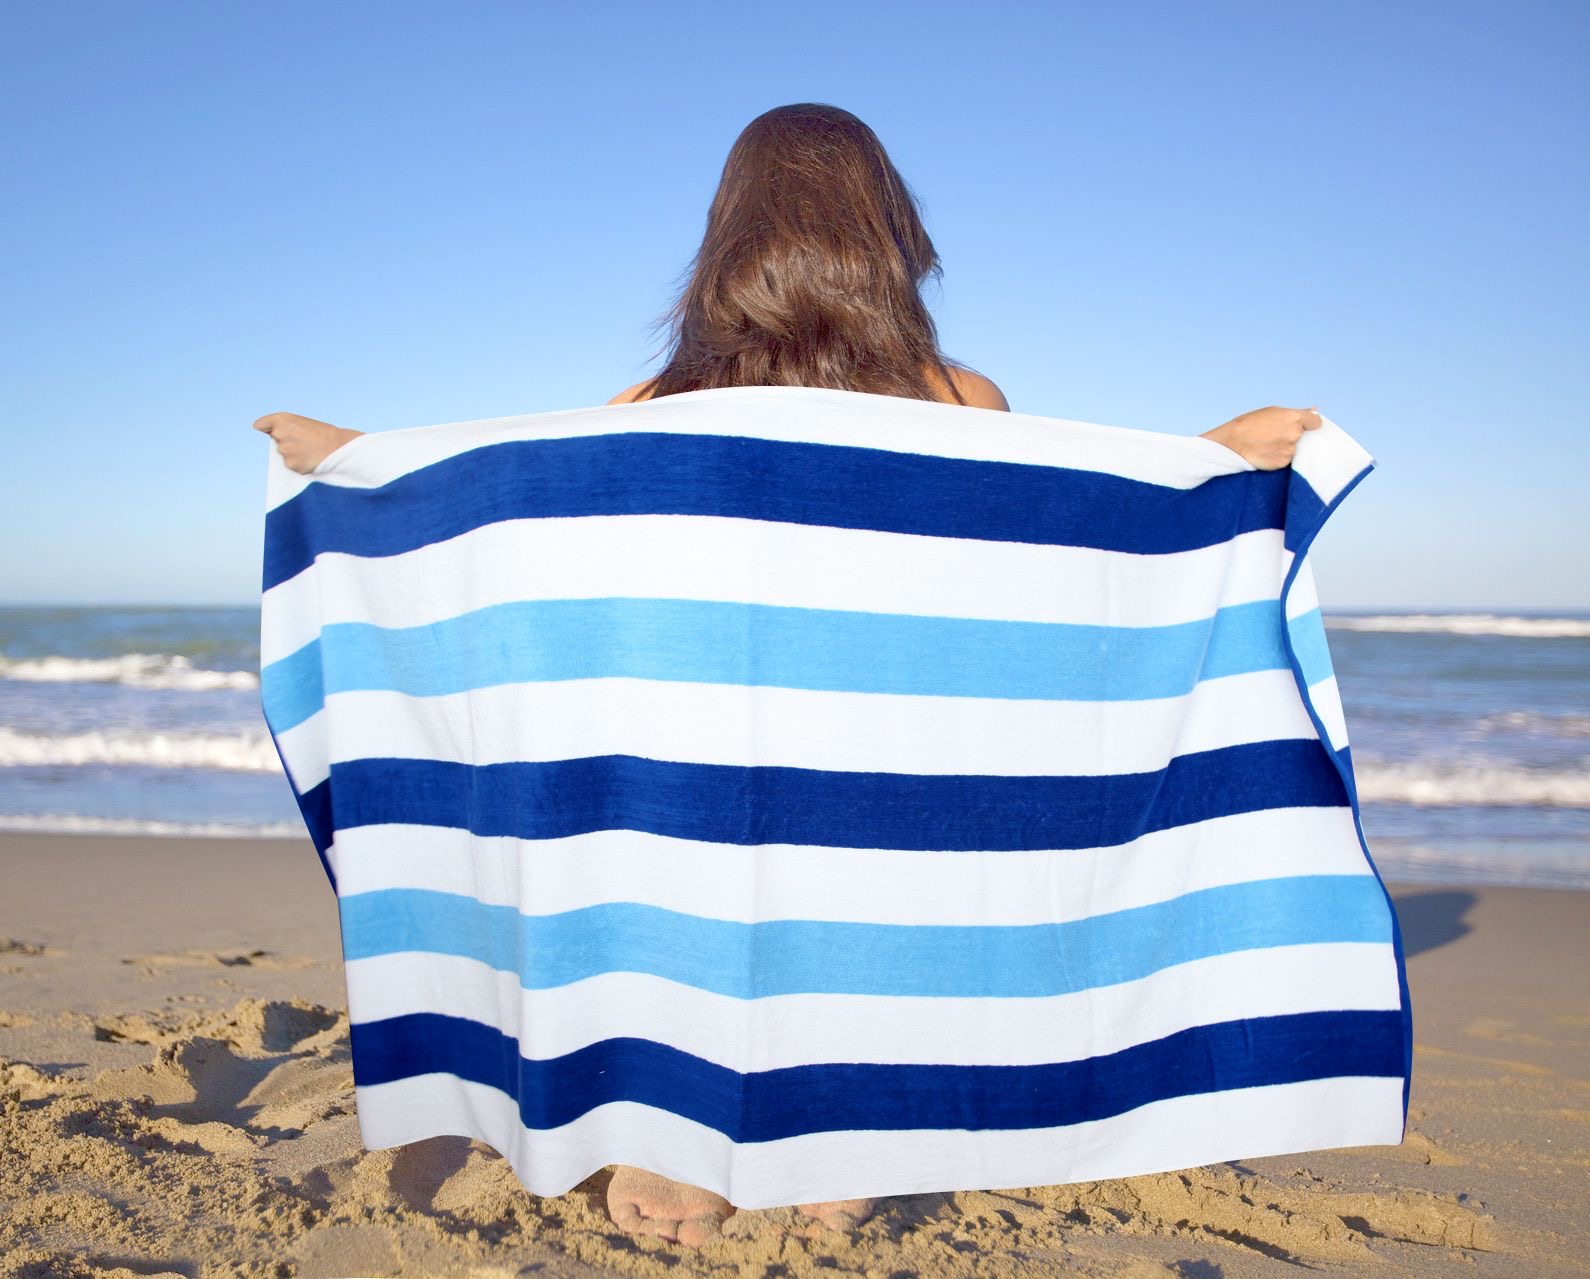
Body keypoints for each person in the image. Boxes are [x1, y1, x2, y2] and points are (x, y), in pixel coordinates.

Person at [254, 102, 1322, 1246]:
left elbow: (538, 563)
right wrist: (1214, 469)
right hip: (864, 749)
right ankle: (801, 1136)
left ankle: (708, 1140)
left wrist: (366, 486)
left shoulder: (658, 413)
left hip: (715, 756)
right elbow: (1067, 564)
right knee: (878, 877)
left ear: (726, 250)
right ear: (890, 239)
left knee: (689, 879)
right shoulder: (953, 400)